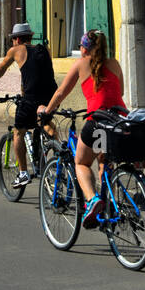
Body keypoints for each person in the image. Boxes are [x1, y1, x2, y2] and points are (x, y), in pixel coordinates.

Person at [39, 29, 125, 229]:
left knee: (81, 163)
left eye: (80, 46)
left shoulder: (80, 64)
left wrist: (47, 111)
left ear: (84, 48)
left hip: (98, 122)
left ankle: (93, 200)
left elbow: (61, 92)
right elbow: (118, 92)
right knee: (104, 162)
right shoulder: (115, 64)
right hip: (120, 121)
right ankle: (108, 206)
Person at [0, 22, 58, 189]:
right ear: (30, 37)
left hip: (31, 98)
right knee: (45, 122)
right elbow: (38, 74)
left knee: (19, 131)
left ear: (16, 39)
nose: (13, 43)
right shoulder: (44, 50)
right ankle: (59, 150)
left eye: (13, 39)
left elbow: (2, 67)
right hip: (51, 96)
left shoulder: (16, 50)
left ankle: (23, 173)